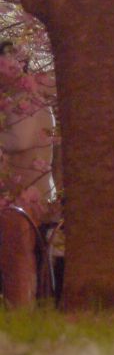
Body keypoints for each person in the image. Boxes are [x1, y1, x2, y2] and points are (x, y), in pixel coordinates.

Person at [0, 41, 56, 308]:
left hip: (26, 192)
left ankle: (21, 307)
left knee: (18, 255)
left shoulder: (24, 99)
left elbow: (19, 140)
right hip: (24, 189)